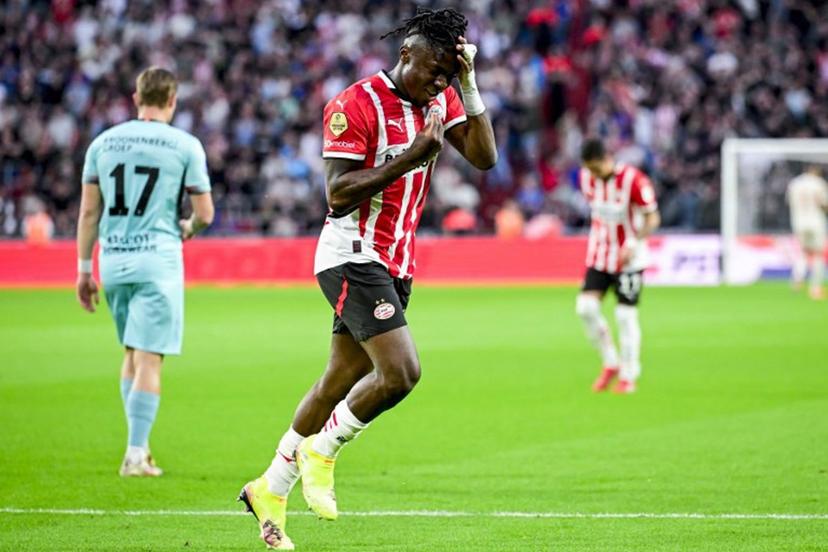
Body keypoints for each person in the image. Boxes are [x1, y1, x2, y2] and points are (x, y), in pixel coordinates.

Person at [238, 7, 496, 550]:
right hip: (351, 252)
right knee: (401, 372)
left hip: (396, 263)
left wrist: (469, 87)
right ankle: (321, 451)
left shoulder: (444, 96)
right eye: (434, 70)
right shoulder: (355, 104)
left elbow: (484, 157)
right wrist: (411, 157)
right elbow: (336, 194)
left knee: (336, 383)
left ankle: (269, 488)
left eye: (449, 74)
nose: (439, 82)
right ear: (406, 54)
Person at [75, 67, 214, 476]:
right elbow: (204, 212)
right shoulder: (184, 145)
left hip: (113, 260)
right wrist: (188, 228)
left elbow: (87, 212)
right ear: (172, 100)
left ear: (136, 98)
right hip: (158, 259)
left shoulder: (103, 143)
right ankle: (135, 453)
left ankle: (140, 446)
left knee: (132, 352)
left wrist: (85, 270)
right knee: (150, 358)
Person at [574, 139, 660, 394]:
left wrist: (634, 242)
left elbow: (653, 217)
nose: (593, 175)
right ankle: (610, 361)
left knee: (625, 316)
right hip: (600, 255)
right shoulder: (586, 178)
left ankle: (629, 374)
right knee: (585, 308)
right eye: (589, 169)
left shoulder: (634, 180)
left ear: (607, 159)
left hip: (630, 260)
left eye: (596, 169)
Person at [787, 165, 828, 300]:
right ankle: (815, 288)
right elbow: (824, 203)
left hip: (799, 221)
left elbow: (789, 202)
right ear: (816, 172)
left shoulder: (795, 183)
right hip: (816, 222)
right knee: (817, 254)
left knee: (803, 252)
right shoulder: (819, 183)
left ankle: (797, 279)